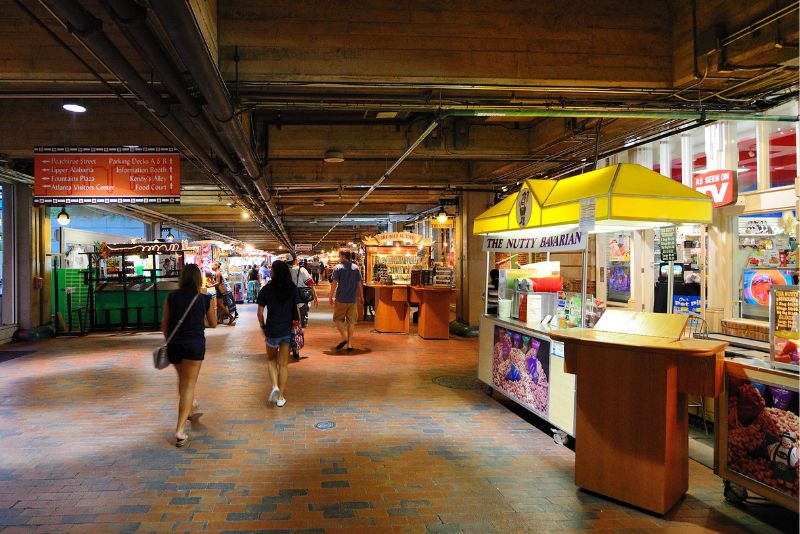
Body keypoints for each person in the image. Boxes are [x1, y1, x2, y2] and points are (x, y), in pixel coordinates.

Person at [161, 264, 218, 447]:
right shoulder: (204, 298)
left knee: (183, 380)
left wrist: (169, 339)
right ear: (197, 279)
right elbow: (214, 323)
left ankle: (191, 408)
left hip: (174, 344)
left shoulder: (171, 297)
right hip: (194, 345)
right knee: (188, 385)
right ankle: (179, 431)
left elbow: (165, 324)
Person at [256, 260, 301, 407]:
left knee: (271, 360)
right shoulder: (292, 288)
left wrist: (263, 325)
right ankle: (280, 396)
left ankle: (274, 385)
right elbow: (297, 310)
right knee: (283, 365)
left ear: (274, 272)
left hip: (272, 330)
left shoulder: (266, 289)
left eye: (271, 269)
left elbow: (260, 313)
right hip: (286, 330)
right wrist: (297, 324)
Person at [329, 250, 364, 351]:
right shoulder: (355, 268)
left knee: (337, 319)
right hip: (352, 299)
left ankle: (344, 337)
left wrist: (331, 296)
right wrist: (361, 296)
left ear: (344, 256)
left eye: (339, 255)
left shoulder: (338, 268)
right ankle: (349, 344)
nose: (338, 257)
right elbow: (359, 284)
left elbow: (334, 283)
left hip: (341, 298)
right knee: (351, 322)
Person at [289, 255, 318, 328]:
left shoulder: (284, 271)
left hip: (288, 300)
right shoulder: (301, 270)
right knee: (302, 322)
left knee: (289, 322)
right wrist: (315, 296)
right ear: (295, 260)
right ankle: (299, 335)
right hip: (301, 298)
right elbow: (310, 283)